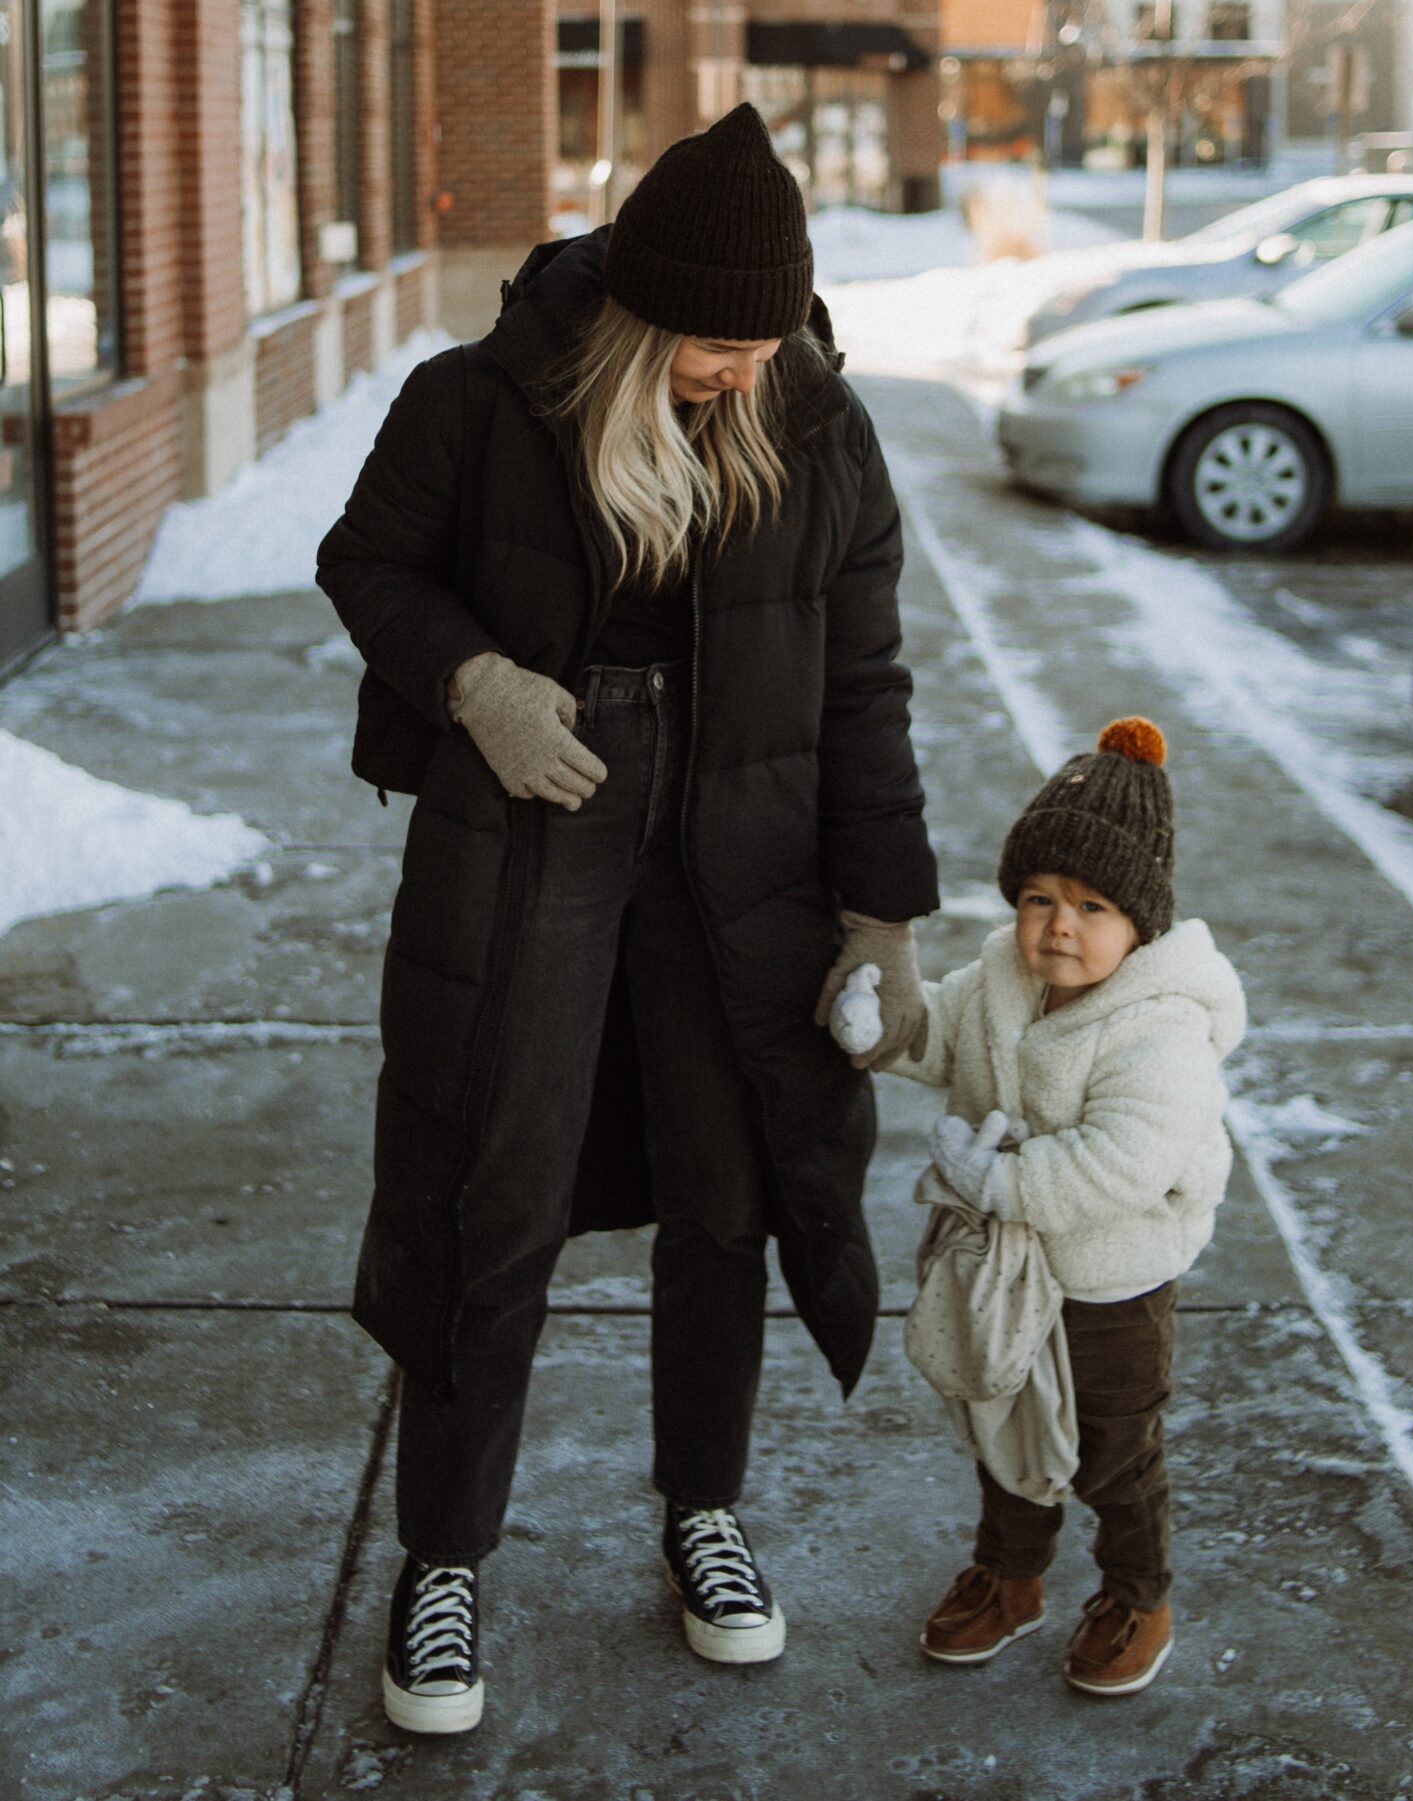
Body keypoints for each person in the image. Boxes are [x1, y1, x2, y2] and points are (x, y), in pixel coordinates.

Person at [316, 102, 938, 1736]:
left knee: (727, 1184)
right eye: (719, 342)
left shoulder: (822, 429)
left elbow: (865, 685)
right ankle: (444, 1554)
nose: (748, 371)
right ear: (641, 313)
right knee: (487, 1182)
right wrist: (476, 683)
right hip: (538, 813)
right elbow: (365, 564)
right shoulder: (478, 405)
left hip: (746, 838)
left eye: (770, 338)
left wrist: (882, 913)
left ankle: (703, 1508)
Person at [866, 718, 1245, 1696]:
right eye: (1039, 899)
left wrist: (1001, 1181)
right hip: (1006, 1277)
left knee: (1114, 1454)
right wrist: (881, 1027)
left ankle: (1137, 1592)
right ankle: (1011, 1574)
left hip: (1110, 1285)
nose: (1058, 926)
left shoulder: (1162, 1030)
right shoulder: (1001, 975)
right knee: (1004, 1427)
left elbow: (1122, 1158)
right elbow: (940, 1033)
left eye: (1091, 905)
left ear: (1141, 923)